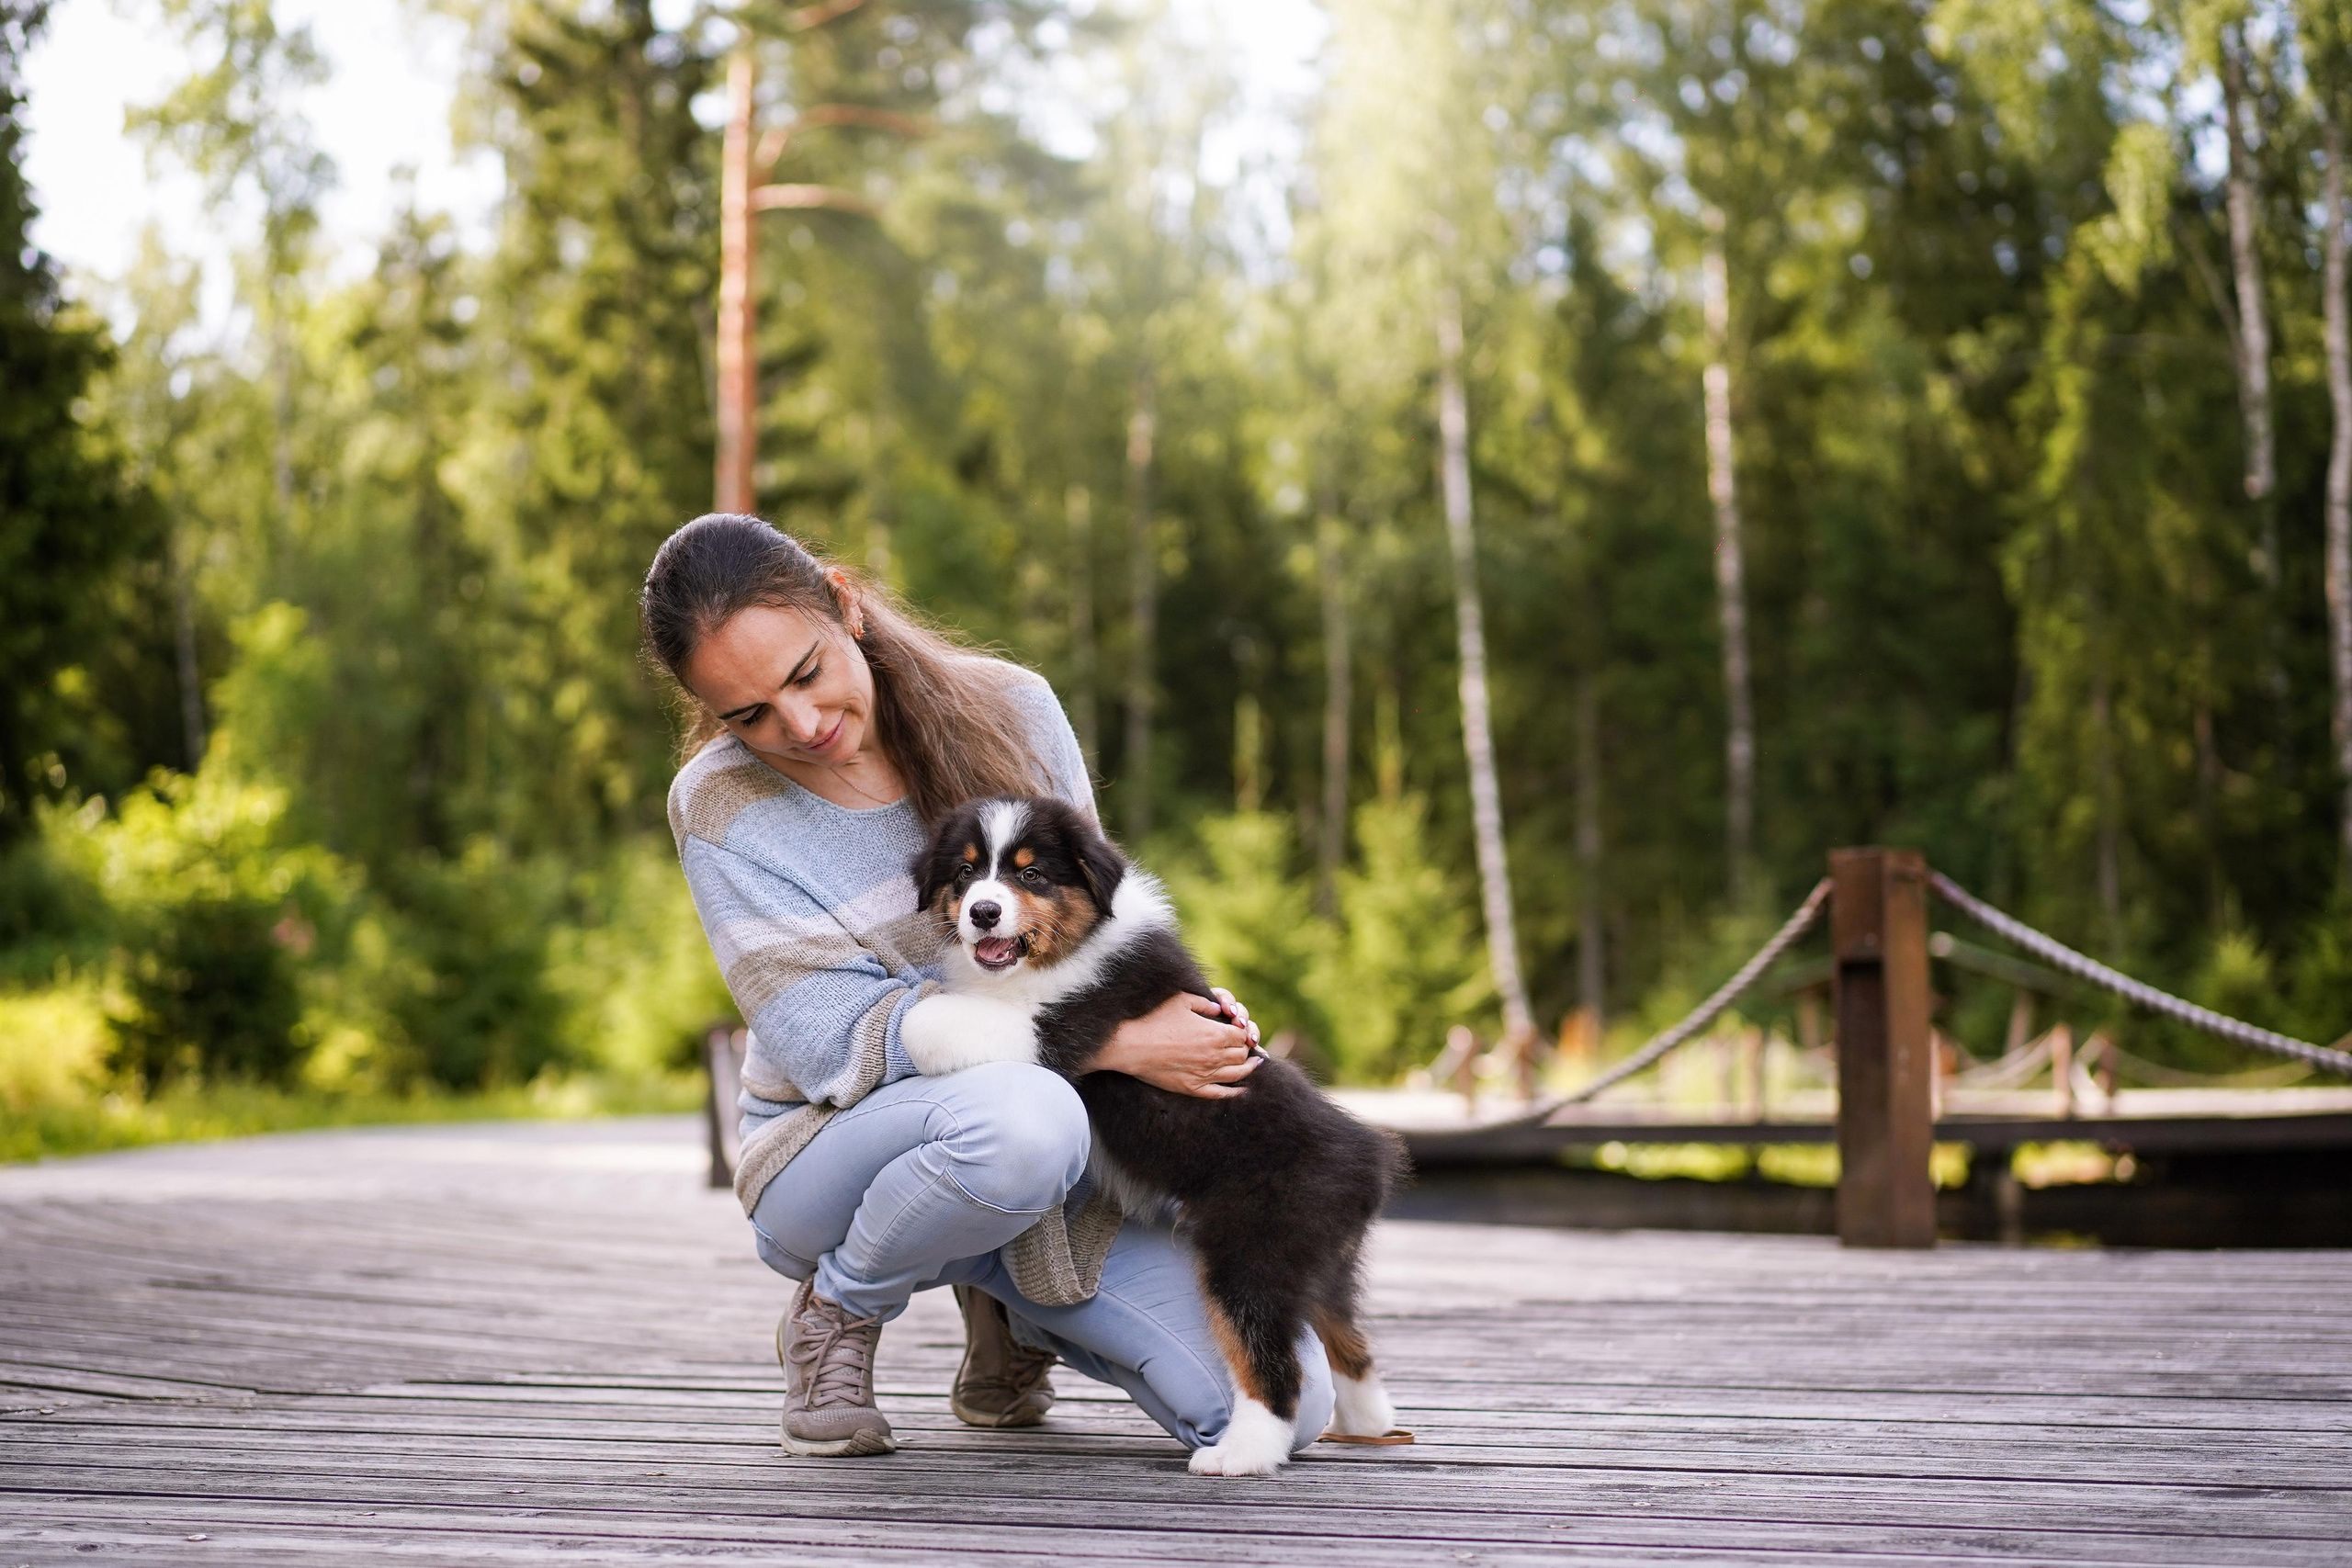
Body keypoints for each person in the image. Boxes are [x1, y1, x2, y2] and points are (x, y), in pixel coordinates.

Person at [640, 513, 1335, 1460]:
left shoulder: (1016, 707)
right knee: (1019, 1121)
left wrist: (1196, 1024)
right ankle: (838, 1314)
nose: (800, 727)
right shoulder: (718, 804)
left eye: (805, 674)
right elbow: (826, 1041)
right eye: (748, 714)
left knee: (1291, 1412)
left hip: (1050, 1156)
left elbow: (1096, 927)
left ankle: (1013, 1308)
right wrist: (1117, 1044)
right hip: (830, 1148)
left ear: (843, 604)